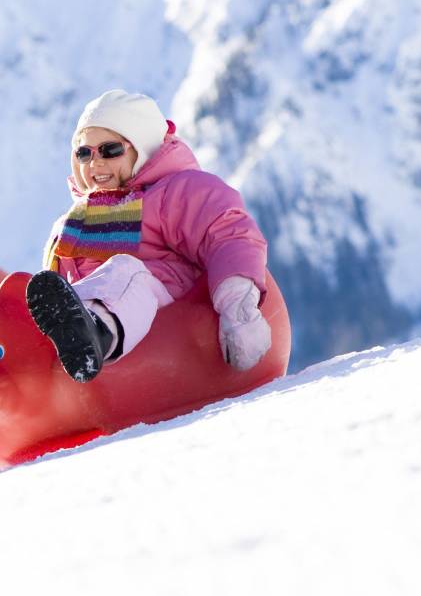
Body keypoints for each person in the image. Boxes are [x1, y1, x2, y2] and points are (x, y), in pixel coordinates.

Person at [25, 89, 271, 382]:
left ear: (142, 149)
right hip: (89, 356)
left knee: (125, 273)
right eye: (83, 153)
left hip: (168, 323)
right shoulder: (69, 225)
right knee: (16, 300)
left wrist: (238, 311)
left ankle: (95, 331)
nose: (95, 163)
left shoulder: (175, 191)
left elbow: (229, 235)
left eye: (110, 150)